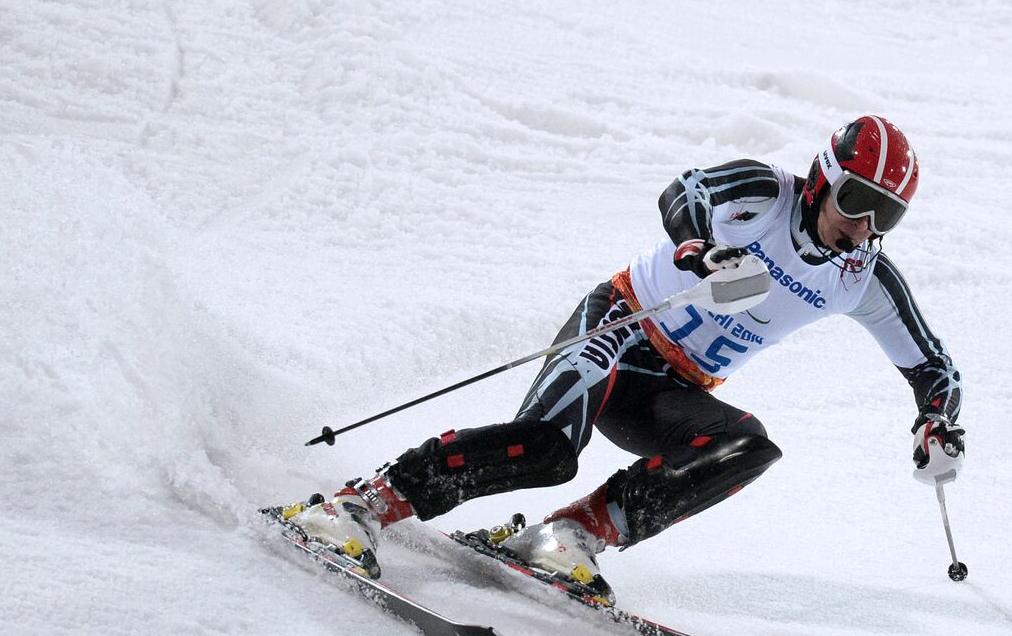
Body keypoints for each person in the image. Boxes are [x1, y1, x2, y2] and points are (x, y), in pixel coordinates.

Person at [281, 115, 965, 587]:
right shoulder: (766, 194)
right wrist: (700, 251)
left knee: (748, 446)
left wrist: (935, 420)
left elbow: (933, 365)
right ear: (822, 178)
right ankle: (360, 504)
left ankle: (567, 538)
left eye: (887, 216)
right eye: (855, 200)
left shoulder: (862, 280)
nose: (863, 226)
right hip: (619, 327)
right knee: (549, 450)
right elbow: (687, 190)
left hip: (667, 385)